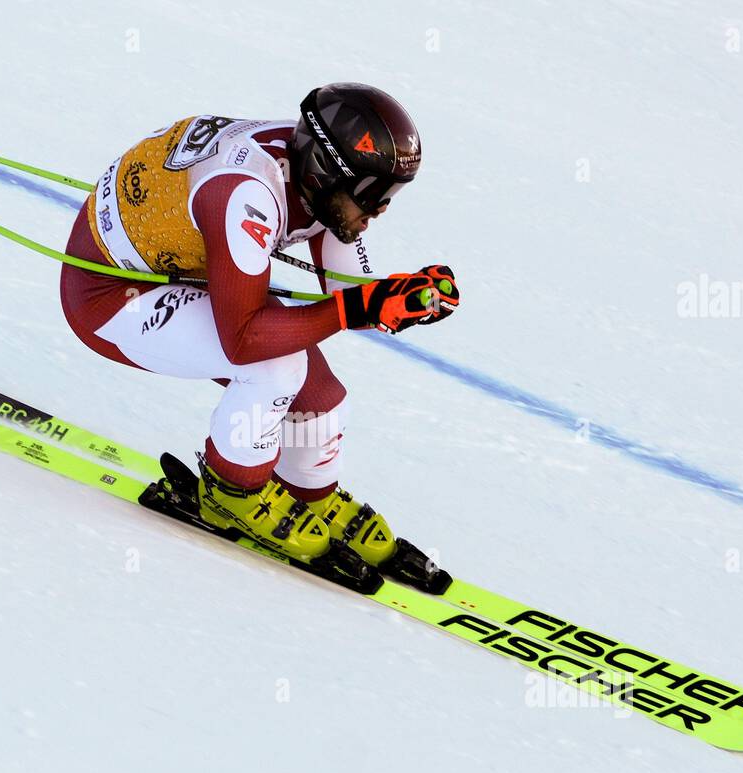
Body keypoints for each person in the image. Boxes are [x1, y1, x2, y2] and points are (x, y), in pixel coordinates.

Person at [59, 82, 460, 566]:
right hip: (112, 296)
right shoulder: (247, 194)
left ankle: (310, 492)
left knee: (323, 401)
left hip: (196, 268)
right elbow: (244, 339)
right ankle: (232, 492)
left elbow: (351, 293)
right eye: (372, 193)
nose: (379, 209)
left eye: (390, 193)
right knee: (275, 369)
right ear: (327, 174)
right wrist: (361, 307)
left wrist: (404, 297)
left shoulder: (318, 184)